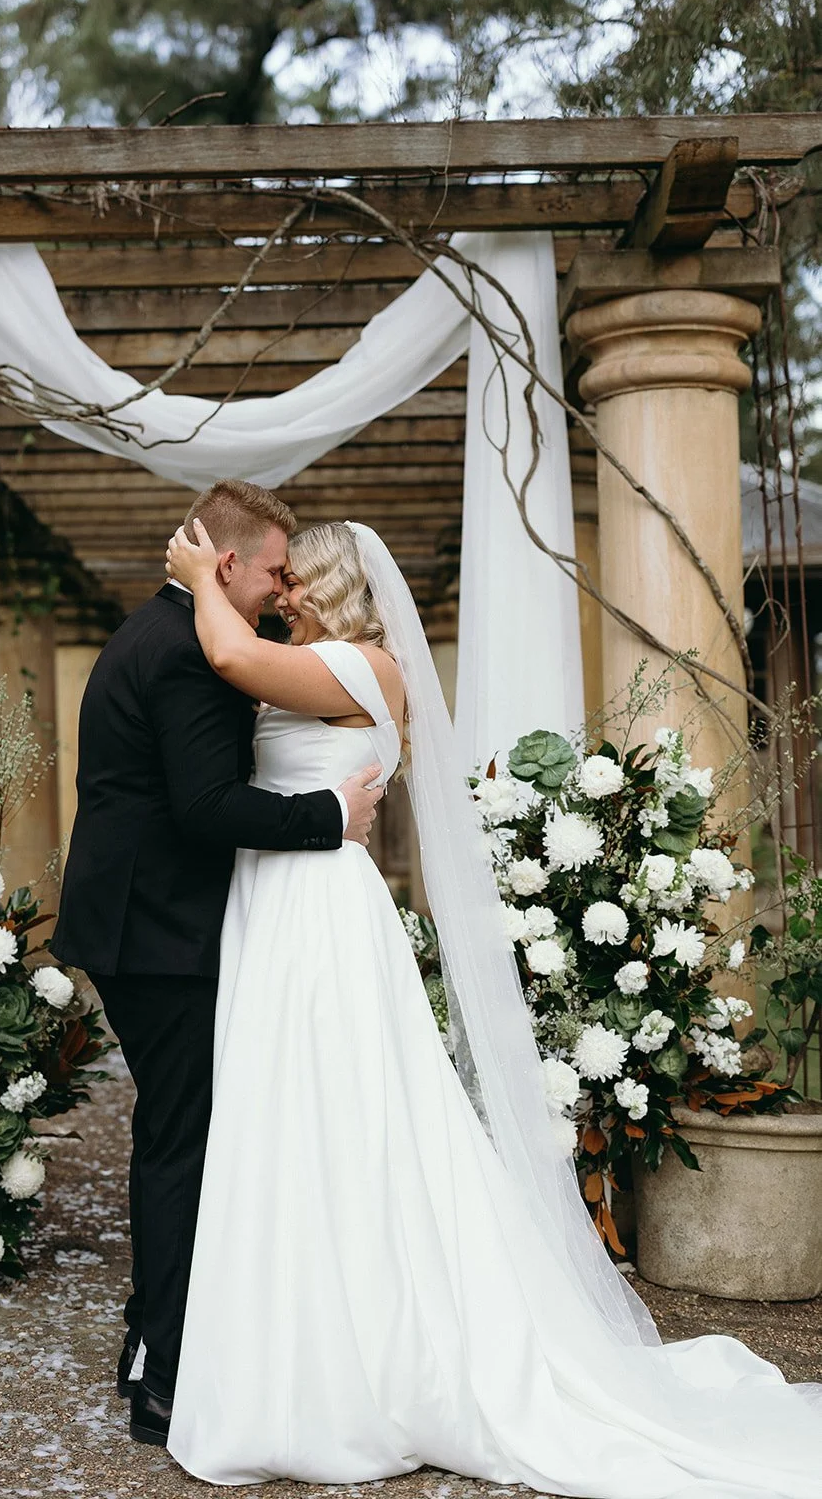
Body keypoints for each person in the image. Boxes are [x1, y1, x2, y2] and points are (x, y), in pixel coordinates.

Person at [161, 515, 822, 1496]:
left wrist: (189, 574)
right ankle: (298, 1339)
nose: (285, 591)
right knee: (291, 1119)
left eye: (298, 579)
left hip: (314, 911)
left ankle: (360, 1361)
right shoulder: (327, 659)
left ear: (341, 587)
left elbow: (223, 648)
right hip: (280, 898)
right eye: (282, 580)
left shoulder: (364, 667)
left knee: (338, 1117)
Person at [49, 480, 384, 1447]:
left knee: (182, 1133)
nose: (283, 590)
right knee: (182, 1143)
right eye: (274, 569)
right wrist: (328, 818)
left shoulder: (155, 632)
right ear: (225, 563)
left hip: (145, 922)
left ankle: (147, 1340)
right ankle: (163, 1369)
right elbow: (206, 808)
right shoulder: (193, 655)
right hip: (160, 932)